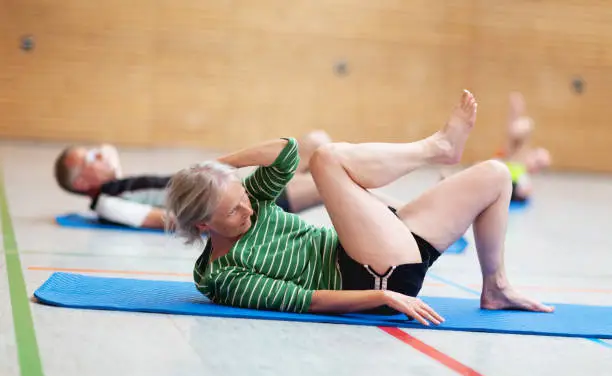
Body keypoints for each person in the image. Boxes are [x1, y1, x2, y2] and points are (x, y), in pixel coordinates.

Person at [165, 90, 554, 325]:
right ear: (202, 225)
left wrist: (221, 166)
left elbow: (286, 152)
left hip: (380, 249)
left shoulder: (254, 202)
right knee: (326, 160)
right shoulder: (223, 277)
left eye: (244, 198)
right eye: (233, 211)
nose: (248, 209)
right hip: (368, 278)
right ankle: (437, 148)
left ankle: (496, 287)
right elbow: (307, 301)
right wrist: (383, 297)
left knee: (496, 176)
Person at [52, 130, 333, 229]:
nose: (99, 156)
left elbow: (108, 149)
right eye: (90, 160)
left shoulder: (118, 185)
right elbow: (164, 220)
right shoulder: (109, 204)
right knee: (330, 175)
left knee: (316, 141)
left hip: (232, 185)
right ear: (81, 185)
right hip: (243, 202)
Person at [496, 92, 552, 202]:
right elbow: (511, 135)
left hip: (511, 179)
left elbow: (511, 134)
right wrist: (514, 113)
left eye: (538, 162)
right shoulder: (517, 153)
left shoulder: (521, 164)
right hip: (506, 173)